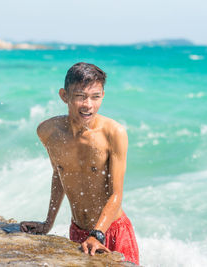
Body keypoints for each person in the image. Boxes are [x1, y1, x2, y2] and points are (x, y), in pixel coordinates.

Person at [20, 62, 139, 264]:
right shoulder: (48, 132)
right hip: (78, 232)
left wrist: (98, 234)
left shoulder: (113, 133)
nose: (88, 105)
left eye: (96, 96)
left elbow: (116, 194)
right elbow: (60, 175)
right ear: (64, 96)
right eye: (80, 96)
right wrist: (48, 223)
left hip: (111, 232)